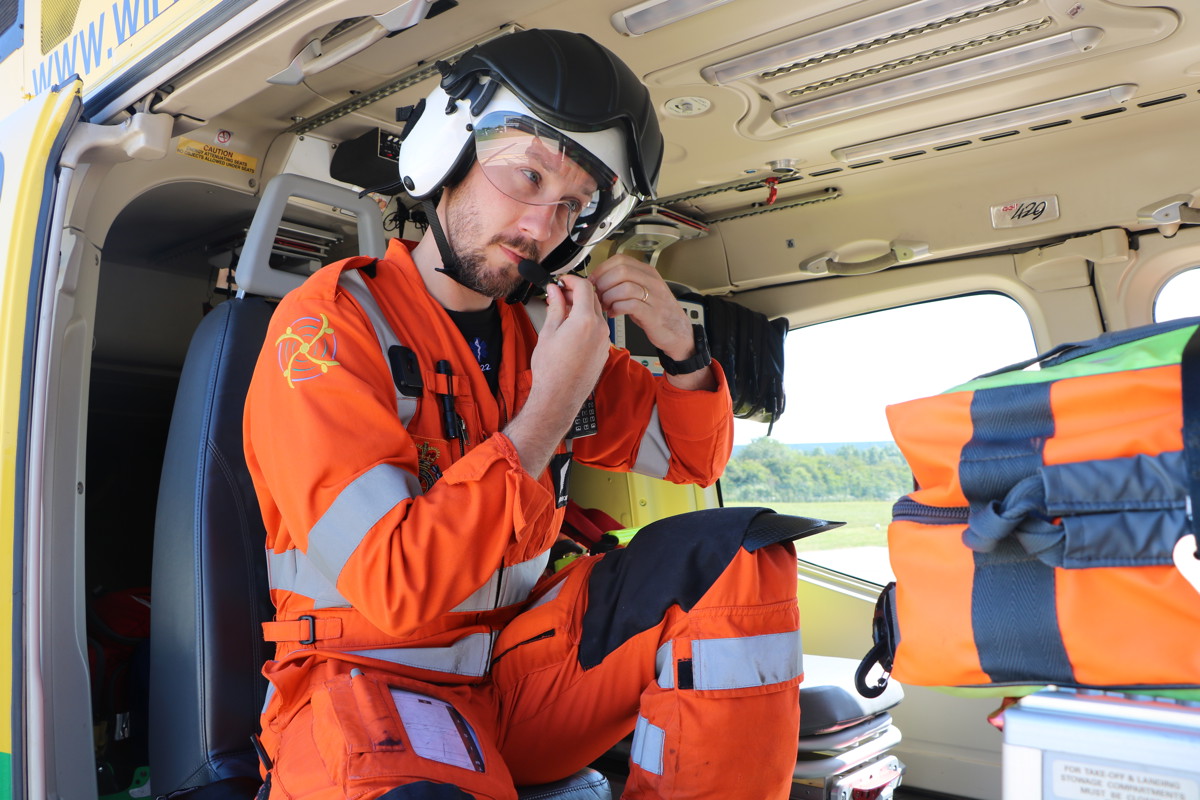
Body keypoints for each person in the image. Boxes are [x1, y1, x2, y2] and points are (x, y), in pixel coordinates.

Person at [244, 29, 802, 800]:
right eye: (527, 176)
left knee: (742, 557)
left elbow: (692, 460)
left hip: (520, 678)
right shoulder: (330, 328)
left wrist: (682, 355)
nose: (542, 226)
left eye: (572, 204)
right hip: (375, 678)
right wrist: (550, 407)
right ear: (448, 155)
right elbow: (394, 584)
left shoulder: (544, 335)